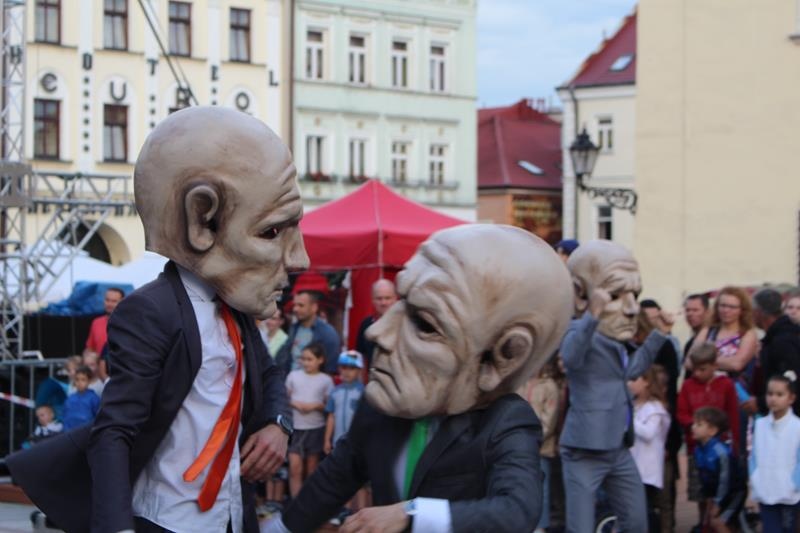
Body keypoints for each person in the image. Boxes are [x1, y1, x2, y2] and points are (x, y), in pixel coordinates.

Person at [7, 106, 303, 533]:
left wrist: (278, 424)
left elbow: (269, 372)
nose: (299, 259)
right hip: (167, 519)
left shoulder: (235, 306)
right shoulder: (151, 310)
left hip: (231, 516)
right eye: (271, 231)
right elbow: (114, 430)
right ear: (202, 220)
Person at [267, 224, 574, 533]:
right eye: (400, 302)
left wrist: (413, 514)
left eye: (425, 324)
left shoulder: (504, 421)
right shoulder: (382, 408)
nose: (378, 332)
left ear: (501, 358)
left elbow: (517, 510)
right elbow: (334, 479)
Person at [559, 240, 668, 533]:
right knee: (580, 528)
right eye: (616, 295)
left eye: (635, 295)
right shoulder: (578, 331)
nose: (632, 309)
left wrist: (659, 334)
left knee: (637, 522)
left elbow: (630, 373)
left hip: (618, 446)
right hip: (585, 450)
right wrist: (592, 316)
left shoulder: (614, 342)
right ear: (581, 294)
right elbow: (570, 357)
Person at [677, 343, 741, 526]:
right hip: (697, 449)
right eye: (695, 369)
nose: (697, 373)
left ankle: (721, 523)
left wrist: (735, 445)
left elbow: (733, 416)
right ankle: (703, 524)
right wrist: (698, 427)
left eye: (702, 369)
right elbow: (681, 413)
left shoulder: (726, 385)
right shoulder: (688, 386)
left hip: (720, 449)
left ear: (715, 365)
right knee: (701, 493)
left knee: (722, 489)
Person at [750, 374, 800, 532]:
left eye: (779, 394)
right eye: (770, 394)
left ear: (791, 398)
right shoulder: (759, 425)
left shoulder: (797, 427)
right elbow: (753, 457)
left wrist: (794, 484)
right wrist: (755, 478)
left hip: (789, 494)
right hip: (766, 490)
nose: (773, 399)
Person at [324, 350, 368, 521]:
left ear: (359, 370)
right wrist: (327, 439)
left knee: (361, 480)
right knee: (343, 477)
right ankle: (345, 510)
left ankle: (362, 513)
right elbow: (331, 416)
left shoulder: (364, 393)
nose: (347, 372)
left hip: (359, 444)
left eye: (351, 368)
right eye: (343, 367)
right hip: (339, 443)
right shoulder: (335, 392)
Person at [519, 358, 562, 533]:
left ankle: (540, 526)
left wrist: (532, 440)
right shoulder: (520, 384)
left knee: (541, 488)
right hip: (517, 447)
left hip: (540, 449)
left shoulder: (549, 386)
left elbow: (549, 422)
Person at [286, 342, 334, 498]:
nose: (305, 362)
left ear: (320, 360)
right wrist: (295, 403)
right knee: (294, 468)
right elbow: (284, 398)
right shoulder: (293, 376)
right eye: (303, 359)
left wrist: (316, 406)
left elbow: (330, 406)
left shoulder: (326, 380)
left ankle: (307, 502)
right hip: (295, 427)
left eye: (310, 359)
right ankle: (295, 502)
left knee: (311, 468)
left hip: (315, 428)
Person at [628, 365, 671, 533]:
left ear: (646, 382)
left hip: (647, 470)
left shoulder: (655, 408)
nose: (629, 383)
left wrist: (629, 419)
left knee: (645, 508)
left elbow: (649, 433)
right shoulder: (634, 406)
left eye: (634, 379)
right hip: (634, 466)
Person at [693, 406, 746, 533]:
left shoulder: (721, 453)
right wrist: (709, 498)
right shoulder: (698, 450)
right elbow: (705, 478)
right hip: (717, 494)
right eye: (694, 423)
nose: (693, 427)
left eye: (699, 424)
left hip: (734, 493)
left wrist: (718, 503)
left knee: (718, 522)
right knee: (710, 522)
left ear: (712, 430)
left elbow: (725, 481)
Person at [748, 288, 800, 416]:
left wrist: (761, 403)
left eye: (753, 310)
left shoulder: (782, 342)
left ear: (759, 312)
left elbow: (790, 380)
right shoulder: (777, 338)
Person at [282, 290, 342, 375]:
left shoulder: (327, 333)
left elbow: (331, 368)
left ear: (314, 307)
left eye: (301, 305)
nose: (295, 309)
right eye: (294, 305)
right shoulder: (294, 328)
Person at [355, 279, 398, 368]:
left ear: (395, 299)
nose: (383, 303)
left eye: (387, 298)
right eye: (379, 298)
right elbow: (360, 356)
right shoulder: (366, 325)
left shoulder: (404, 324)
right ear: (372, 300)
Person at [84, 287, 124, 355]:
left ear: (122, 302)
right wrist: (85, 357)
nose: (109, 304)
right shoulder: (96, 322)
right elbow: (90, 348)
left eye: (114, 301)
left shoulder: (127, 324)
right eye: (107, 300)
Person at [61, 366, 100, 431]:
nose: (79, 383)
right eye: (77, 379)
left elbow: (98, 418)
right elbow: (65, 416)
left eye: (83, 380)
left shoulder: (94, 399)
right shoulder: (70, 399)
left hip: (86, 433)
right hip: (69, 433)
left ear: (89, 381)